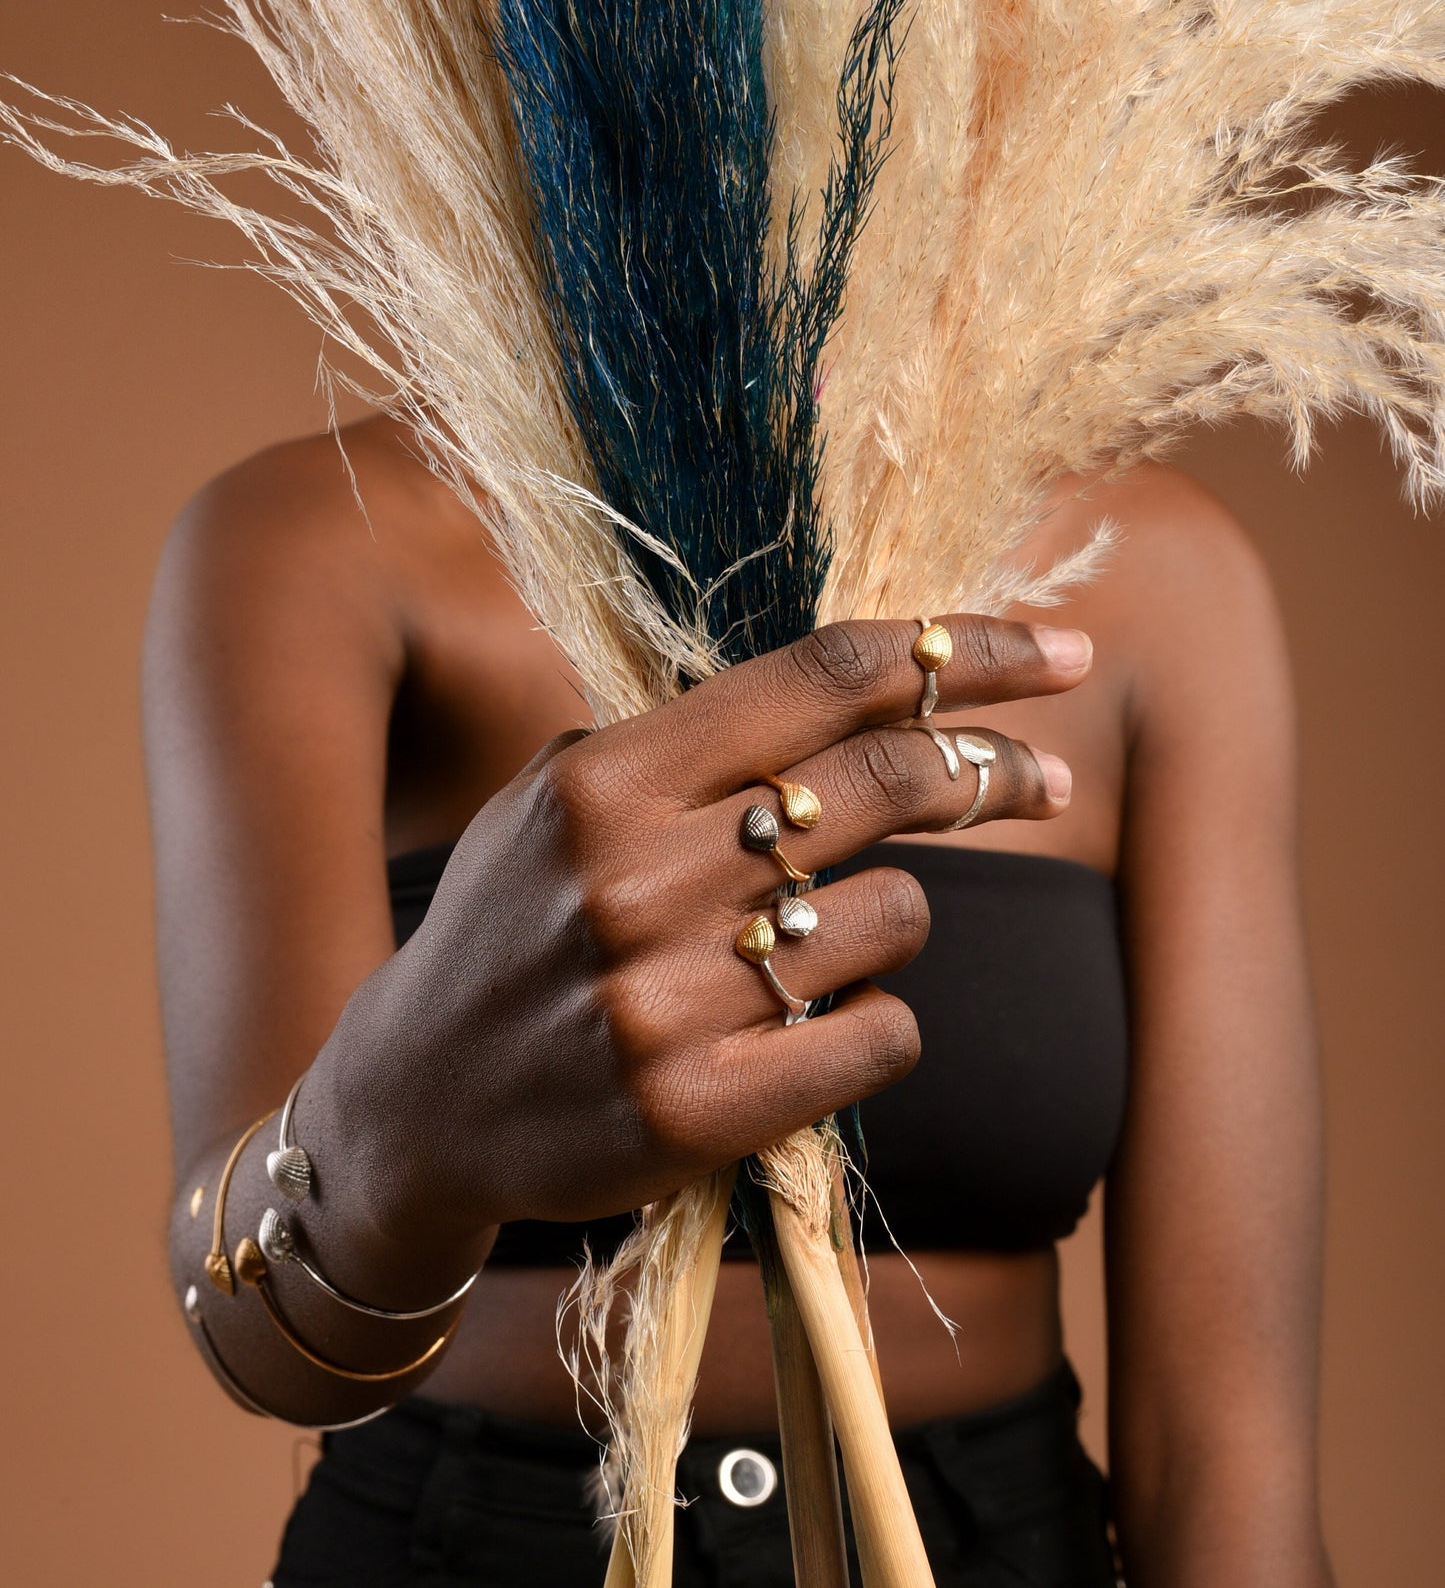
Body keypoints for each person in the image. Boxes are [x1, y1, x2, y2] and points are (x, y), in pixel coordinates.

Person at [152, 410, 1333, 1587]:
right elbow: (256, 1330)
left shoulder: (1158, 571)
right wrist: (405, 1121)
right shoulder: (326, 531)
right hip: (470, 1544)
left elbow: (1224, 1467)